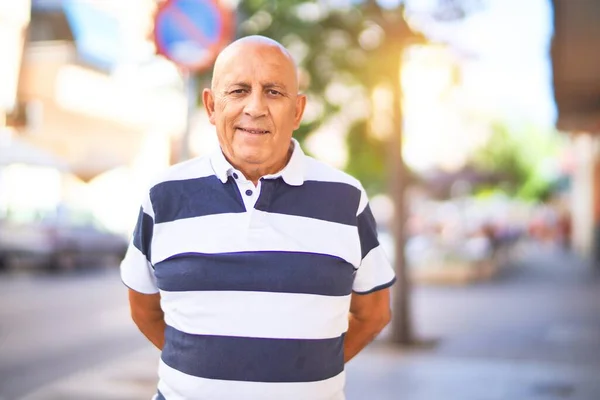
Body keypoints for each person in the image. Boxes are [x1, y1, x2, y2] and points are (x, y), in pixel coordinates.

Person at [120, 35, 395, 400]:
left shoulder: (346, 198)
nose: (255, 107)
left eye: (273, 92)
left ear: (297, 111)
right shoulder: (164, 196)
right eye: (238, 90)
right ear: (211, 106)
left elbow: (373, 314)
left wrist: (309, 373)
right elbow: (144, 310)